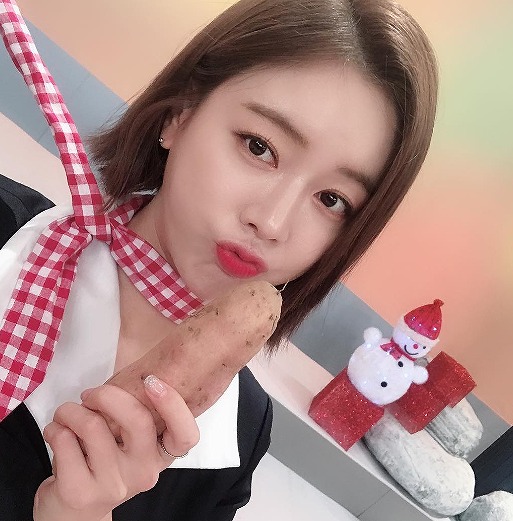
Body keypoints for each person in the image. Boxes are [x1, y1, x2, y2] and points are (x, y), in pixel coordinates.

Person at [0, 0, 438, 519]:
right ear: (179, 115)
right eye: (259, 146)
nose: (271, 222)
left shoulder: (239, 442)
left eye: (331, 199)